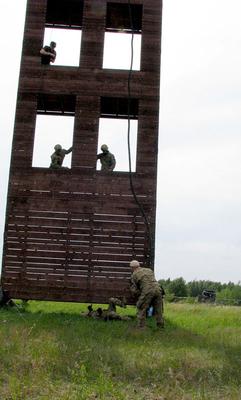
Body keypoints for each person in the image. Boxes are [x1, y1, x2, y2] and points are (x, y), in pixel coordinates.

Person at [129, 260, 164, 328]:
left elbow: (135, 289)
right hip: (158, 289)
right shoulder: (149, 270)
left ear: (132, 268)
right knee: (158, 310)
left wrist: (138, 294)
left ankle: (141, 327)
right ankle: (160, 327)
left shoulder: (134, 274)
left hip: (147, 291)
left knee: (140, 307)